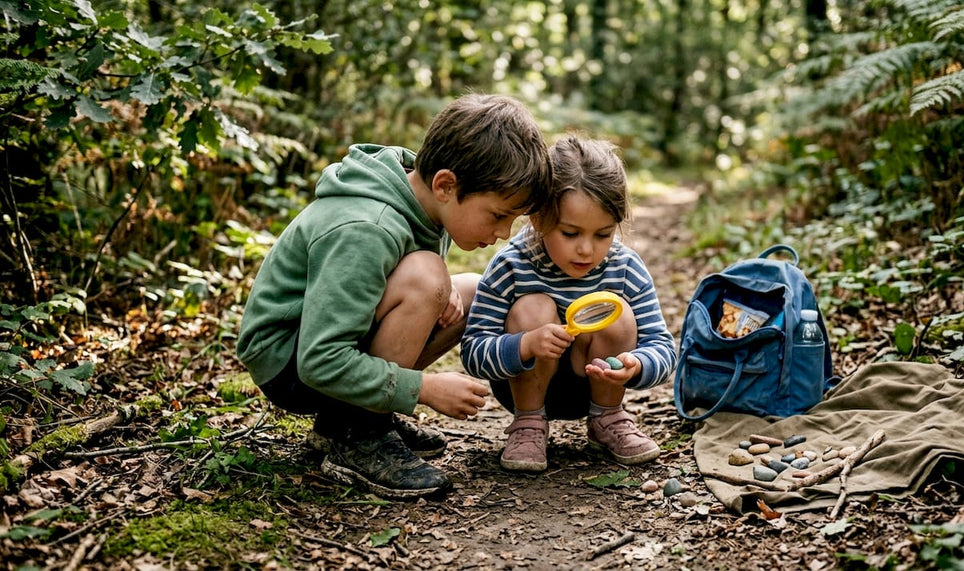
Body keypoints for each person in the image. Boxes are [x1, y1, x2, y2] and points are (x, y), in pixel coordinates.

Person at [236, 94, 552, 498]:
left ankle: (354, 418)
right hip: (289, 363)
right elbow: (318, 359)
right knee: (428, 276)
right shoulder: (367, 228)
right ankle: (358, 434)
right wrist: (422, 388)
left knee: (471, 290)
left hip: (318, 349)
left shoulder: (422, 200)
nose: (505, 233)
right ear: (445, 184)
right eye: (498, 215)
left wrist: (440, 293)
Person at [460, 134, 676, 472]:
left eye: (603, 234)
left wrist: (636, 364)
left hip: (593, 386)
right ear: (538, 218)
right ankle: (529, 424)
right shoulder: (511, 266)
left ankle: (608, 419)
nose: (587, 250)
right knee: (533, 307)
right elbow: (473, 352)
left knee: (616, 313)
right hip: (520, 385)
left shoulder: (625, 267)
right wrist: (526, 344)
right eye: (571, 233)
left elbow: (663, 346)